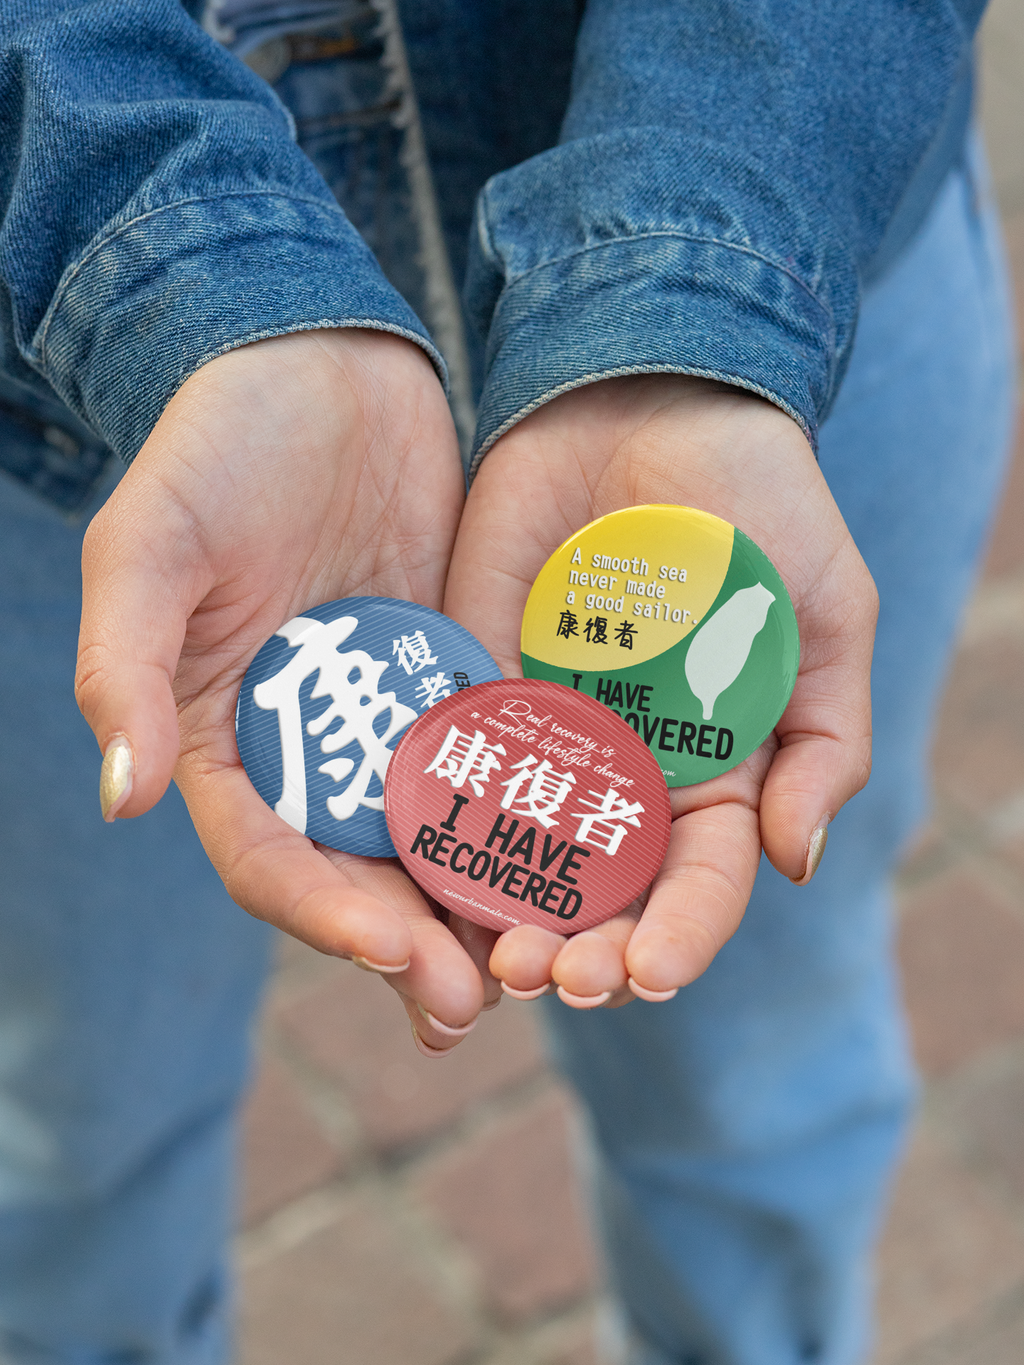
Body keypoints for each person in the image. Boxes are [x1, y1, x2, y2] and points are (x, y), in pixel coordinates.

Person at [0, 1, 1013, 1362]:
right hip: (73, 360)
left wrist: (693, 275)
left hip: (775, 275)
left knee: (759, 1098)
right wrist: (170, 268)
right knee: (86, 1126)